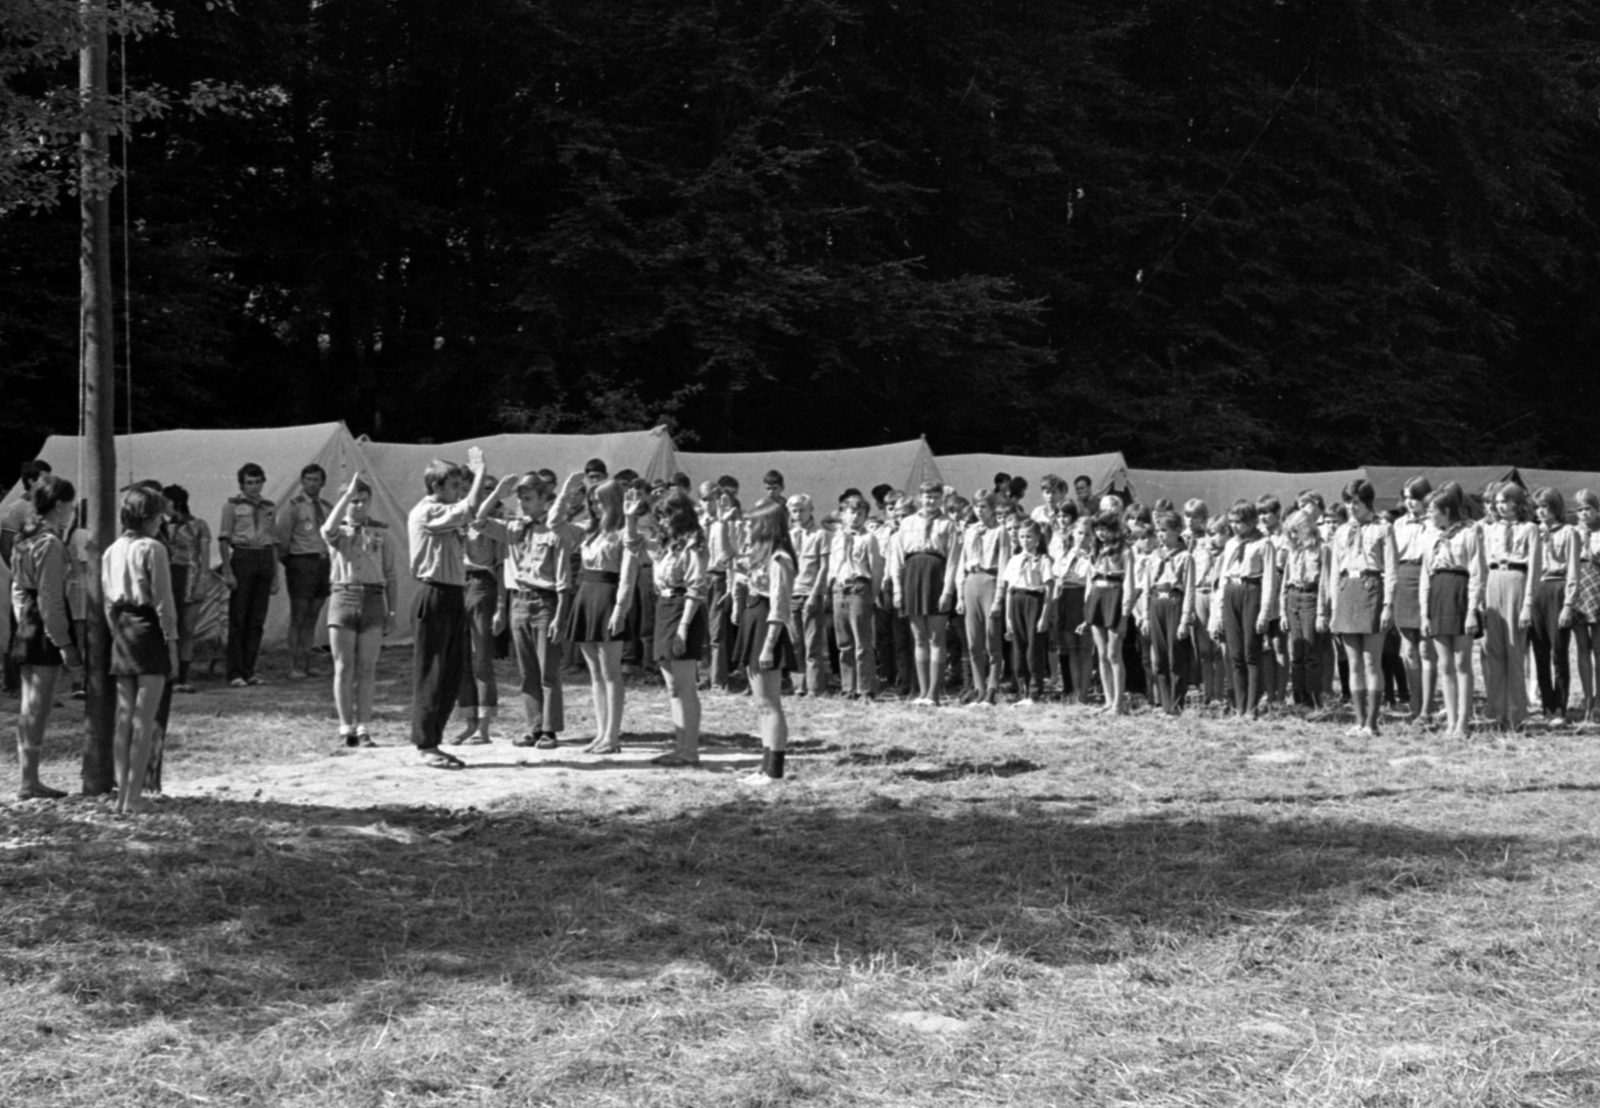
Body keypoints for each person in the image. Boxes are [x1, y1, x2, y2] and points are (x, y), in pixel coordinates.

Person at [474, 471, 583, 749]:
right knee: (527, 672)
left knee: (548, 670)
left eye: (529, 499)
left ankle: (550, 729)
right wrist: (498, 493)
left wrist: (561, 613)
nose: (523, 504)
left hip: (545, 601)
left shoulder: (555, 529)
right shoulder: (512, 528)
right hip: (518, 601)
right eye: (521, 499)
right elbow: (478, 520)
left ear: (545, 500)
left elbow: (562, 577)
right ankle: (533, 727)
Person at [408, 450, 489, 769]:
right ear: (437, 486)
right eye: (455, 484)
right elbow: (467, 509)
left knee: (452, 673)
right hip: (435, 594)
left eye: (461, 484)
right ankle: (426, 744)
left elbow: (468, 515)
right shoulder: (427, 512)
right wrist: (481, 472)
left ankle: (433, 740)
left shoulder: (441, 509)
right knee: (432, 673)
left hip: (452, 593)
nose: (459, 489)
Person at [103, 486, 178, 814]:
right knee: (144, 721)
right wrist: (171, 643)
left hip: (122, 628)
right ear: (150, 516)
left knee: (124, 717)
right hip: (148, 628)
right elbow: (164, 601)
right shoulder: (154, 548)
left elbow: (107, 601)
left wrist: (117, 632)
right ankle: (133, 796)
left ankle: (122, 794)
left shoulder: (112, 550)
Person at [9, 475, 79, 799]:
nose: (72, 511)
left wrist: (24, 617)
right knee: (39, 706)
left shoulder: (24, 537)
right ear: (60, 505)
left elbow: (17, 588)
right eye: (71, 505)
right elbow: (50, 599)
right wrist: (64, 643)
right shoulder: (48, 542)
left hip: (26, 620)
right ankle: (29, 782)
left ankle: (28, 778)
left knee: (29, 705)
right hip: (43, 624)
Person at [321, 473, 398, 747]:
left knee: (367, 667)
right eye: (354, 501)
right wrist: (344, 499)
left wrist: (392, 612)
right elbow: (326, 530)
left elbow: (390, 574)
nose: (359, 506)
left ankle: (364, 727)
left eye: (364, 501)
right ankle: (345, 728)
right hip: (344, 596)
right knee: (343, 666)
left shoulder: (380, 532)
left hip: (373, 598)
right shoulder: (338, 531)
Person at [565, 477, 640, 755]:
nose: (594, 507)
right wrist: (565, 494)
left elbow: (629, 573)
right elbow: (555, 525)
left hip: (609, 596)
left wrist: (621, 608)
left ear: (612, 502)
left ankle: (613, 735)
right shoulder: (590, 531)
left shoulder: (624, 533)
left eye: (599, 502)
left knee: (611, 672)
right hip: (586, 594)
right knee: (595, 672)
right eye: (592, 502)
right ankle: (600, 732)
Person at [636, 488, 709, 765]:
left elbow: (696, 587)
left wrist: (683, 628)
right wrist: (632, 517)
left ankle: (690, 750)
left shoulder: (694, 542)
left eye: (667, 516)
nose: (663, 522)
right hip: (664, 607)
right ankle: (680, 747)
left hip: (682, 608)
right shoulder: (668, 543)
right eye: (660, 516)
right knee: (672, 687)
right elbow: (633, 543)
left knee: (685, 685)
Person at [733, 499, 798, 783]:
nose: (747, 527)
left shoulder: (779, 559)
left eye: (751, 523)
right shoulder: (759, 556)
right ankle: (765, 765)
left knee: (770, 703)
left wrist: (769, 644)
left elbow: (780, 605)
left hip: (766, 627)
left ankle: (774, 771)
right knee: (761, 703)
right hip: (754, 621)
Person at [1330, 479, 1398, 737]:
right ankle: (1358, 721)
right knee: (1353, 662)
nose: (1351, 507)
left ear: (1368, 502)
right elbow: (1335, 571)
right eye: (1348, 502)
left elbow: (1391, 569)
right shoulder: (1341, 531)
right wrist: (1335, 606)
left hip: (1373, 589)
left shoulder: (1383, 529)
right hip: (1349, 589)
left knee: (1371, 661)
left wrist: (1388, 604)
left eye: (1356, 502)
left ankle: (1372, 721)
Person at [1419, 483, 1484, 739]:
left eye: (1432, 510)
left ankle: (1462, 724)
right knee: (1444, 664)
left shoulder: (1470, 530)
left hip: (1461, 591)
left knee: (1461, 662)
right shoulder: (1429, 534)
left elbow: (1477, 571)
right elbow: (1426, 574)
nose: (1428, 515)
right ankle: (1450, 721)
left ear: (1446, 510)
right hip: (1438, 591)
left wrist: (1472, 610)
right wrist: (1424, 613)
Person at [890, 480, 961, 706]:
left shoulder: (949, 525)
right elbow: (897, 558)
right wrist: (898, 589)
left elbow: (952, 560)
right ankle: (921, 693)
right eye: (927, 497)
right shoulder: (907, 523)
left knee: (936, 637)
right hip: (913, 576)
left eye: (935, 497)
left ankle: (934, 694)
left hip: (937, 576)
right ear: (920, 498)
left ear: (942, 499)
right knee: (919, 637)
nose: (931, 501)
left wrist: (948, 590)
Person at [1209, 500, 1279, 719]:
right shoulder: (1230, 544)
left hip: (1252, 591)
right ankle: (1239, 707)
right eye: (1231, 522)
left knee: (1251, 652)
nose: (1235, 526)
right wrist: (1218, 611)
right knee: (1235, 653)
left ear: (1250, 521)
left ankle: (1252, 707)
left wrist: (1264, 612)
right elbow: (1223, 579)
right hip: (1232, 592)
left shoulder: (1263, 544)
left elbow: (1269, 579)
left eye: (1239, 522)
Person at [451, 474, 508, 745]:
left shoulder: (494, 524)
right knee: (460, 659)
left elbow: (500, 567)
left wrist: (500, 606)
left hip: (484, 586)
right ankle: (469, 721)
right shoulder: (457, 519)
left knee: (481, 660)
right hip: (457, 585)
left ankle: (484, 726)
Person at [1481, 481, 1541, 731]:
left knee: (1515, 650)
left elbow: (1535, 568)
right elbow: (1483, 566)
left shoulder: (1529, 529)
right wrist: (1482, 601)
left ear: (1518, 503)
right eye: (1498, 501)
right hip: (1494, 580)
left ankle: (1516, 714)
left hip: (1517, 580)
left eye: (1506, 500)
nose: (1500, 505)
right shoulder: (1489, 529)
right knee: (1493, 651)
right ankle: (1495, 712)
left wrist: (1527, 604)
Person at [219, 463, 279, 687]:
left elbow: (273, 540)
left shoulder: (268, 507)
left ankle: (249, 670)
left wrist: (275, 575)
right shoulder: (232, 506)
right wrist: (227, 570)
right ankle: (234, 672)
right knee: (239, 618)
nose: (254, 487)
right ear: (242, 485)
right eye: (249, 483)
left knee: (256, 619)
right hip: (243, 557)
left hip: (263, 557)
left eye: (257, 482)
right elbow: (224, 539)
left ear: (263, 482)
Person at [275, 464, 333, 680]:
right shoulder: (294, 506)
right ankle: (294, 664)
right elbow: (283, 539)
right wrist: (291, 563)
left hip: (322, 562)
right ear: (302, 481)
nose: (312, 484)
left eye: (316, 480)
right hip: (301, 561)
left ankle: (307, 662)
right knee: (299, 616)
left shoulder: (327, 507)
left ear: (323, 482)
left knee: (313, 616)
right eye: (308, 479)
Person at [2, 459, 53, 696]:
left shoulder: (44, 506)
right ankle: (12, 681)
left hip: (41, 576)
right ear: (32, 480)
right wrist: (17, 574)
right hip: (21, 578)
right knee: (17, 627)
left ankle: (32, 678)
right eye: (43, 477)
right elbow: (6, 545)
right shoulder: (17, 508)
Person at [827, 493, 883, 700]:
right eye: (851, 513)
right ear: (843, 515)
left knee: (862, 642)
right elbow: (833, 566)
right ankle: (848, 686)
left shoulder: (868, 538)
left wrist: (873, 594)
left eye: (860, 514)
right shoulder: (838, 538)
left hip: (860, 589)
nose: (855, 517)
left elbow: (876, 568)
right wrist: (832, 585)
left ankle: (865, 688)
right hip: (840, 589)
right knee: (844, 643)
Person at [957, 491, 1010, 707]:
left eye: (984, 507)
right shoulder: (970, 531)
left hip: (990, 579)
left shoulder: (1000, 532)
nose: (980, 511)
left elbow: (1004, 563)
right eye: (977, 506)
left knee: (991, 640)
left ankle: (992, 688)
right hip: (972, 581)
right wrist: (960, 595)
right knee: (973, 641)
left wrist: (998, 598)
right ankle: (978, 688)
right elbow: (962, 562)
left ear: (992, 508)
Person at [1530, 486, 1578, 725]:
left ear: (1556, 508)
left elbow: (1573, 571)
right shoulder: (1534, 532)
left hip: (1558, 588)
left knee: (1559, 652)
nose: (1540, 511)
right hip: (1537, 589)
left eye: (1544, 506)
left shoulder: (1569, 532)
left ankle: (1560, 706)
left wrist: (1568, 604)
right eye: (1537, 507)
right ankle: (1546, 706)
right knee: (1539, 652)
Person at [1081, 509, 1136, 714]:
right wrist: (1086, 612)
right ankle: (1108, 700)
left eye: (1104, 528)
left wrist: (1124, 615)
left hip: (1115, 597)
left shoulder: (1125, 551)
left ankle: (1119, 704)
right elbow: (1089, 581)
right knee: (1102, 654)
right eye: (1096, 528)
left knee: (1114, 654)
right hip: (1096, 597)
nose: (1100, 533)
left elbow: (1129, 584)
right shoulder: (1094, 550)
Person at [1391, 477, 1435, 724]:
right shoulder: (1398, 524)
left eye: (1415, 498)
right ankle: (1415, 704)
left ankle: (1428, 707)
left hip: (1427, 577)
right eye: (1406, 497)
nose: (1410, 503)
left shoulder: (1433, 523)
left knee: (1426, 647)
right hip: (1404, 577)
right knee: (1408, 648)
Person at [1279, 507, 1330, 711]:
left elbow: (1325, 582)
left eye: (1296, 531)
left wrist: (1321, 612)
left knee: (1311, 651)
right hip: (1293, 597)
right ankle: (1300, 699)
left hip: (1311, 596)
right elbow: (1285, 581)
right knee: (1296, 652)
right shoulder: (1293, 551)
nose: (1293, 536)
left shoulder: (1321, 549)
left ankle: (1314, 699)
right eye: (1290, 532)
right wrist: (1283, 610)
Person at [1143, 510, 1195, 715]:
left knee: (1176, 658)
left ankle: (1176, 706)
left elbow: (1189, 589)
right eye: (1158, 531)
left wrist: (1185, 620)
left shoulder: (1185, 557)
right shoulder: (1154, 556)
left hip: (1175, 602)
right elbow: (1147, 587)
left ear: (1177, 530)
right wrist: (1146, 616)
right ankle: (1164, 704)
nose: (1160, 535)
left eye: (1164, 530)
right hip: (1157, 602)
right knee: (1160, 658)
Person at [162, 486, 211, 693]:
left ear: (176, 503)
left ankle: (183, 676)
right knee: (169, 629)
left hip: (191, 577)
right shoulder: (160, 526)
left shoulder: (198, 525)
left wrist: (203, 581)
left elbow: (205, 558)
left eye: (166, 502)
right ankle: (168, 675)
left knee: (187, 630)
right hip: (169, 578)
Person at [999, 519, 1054, 705]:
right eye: (1022, 536)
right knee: (1019, 648)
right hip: (1016, 601)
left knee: (1033, 649)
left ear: (1038, 538)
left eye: (1029, 536)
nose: (1024, 540)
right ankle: (1022, 689)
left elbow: (1048, 589)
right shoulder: (1014, 559)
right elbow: (1009, 589)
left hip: (1034, 601)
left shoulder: (1043, 560)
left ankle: (1034, 692)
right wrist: (1007, 616)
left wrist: (1044, 615)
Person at [788, 493, 830, 696]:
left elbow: (824, 567)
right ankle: (798, 685)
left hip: (810, 592)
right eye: (794, 510)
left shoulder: (820, 534)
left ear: (810, 510)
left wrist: (815, 594)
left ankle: (815, 687)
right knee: (795, 643)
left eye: (801, 510)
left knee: (812, 644)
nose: (798, 514)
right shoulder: (787, 535)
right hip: (791, 593)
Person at [1569, 489, 1600, 724]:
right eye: (1579, 509)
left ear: (1596, 510)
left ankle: (1599, 700)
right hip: (1578, 588)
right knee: (1582, 648)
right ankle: (1587, 697)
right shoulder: (1572, 533)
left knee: (1599, 649)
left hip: (1598, 588)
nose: (1583, 513)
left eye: (1587, 508)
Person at [1191, 517, 1228, 706]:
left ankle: (1219, 694)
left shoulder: (1227, 553)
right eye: (1209, 533)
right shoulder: (1199, 550)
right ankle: (1207, 691)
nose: (1212, 538)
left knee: (1217, 649)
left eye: (1217, 533)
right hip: (1200, 595)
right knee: (1204, 650)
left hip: (1216, 597)